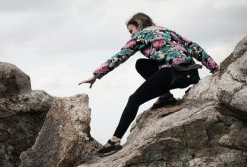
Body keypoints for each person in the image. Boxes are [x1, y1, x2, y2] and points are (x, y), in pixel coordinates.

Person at [78, 13, 219, 156]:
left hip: (172, 73)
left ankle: (115, 140)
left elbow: (119, 56)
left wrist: (96, 75)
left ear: (138, 26)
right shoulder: (167, 31)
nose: (131, 36)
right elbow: (195, 47)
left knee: (134, 100)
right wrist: (214, 68)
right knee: (141, 64)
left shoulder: (141, 35)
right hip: (190, 74)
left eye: (131, 31)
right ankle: (165, 97)